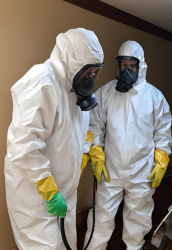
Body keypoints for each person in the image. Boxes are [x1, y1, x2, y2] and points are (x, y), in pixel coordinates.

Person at [5, 28, 105, 250]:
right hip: (36, 194)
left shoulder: (74, 88)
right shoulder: (41, 82)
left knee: (65, 242)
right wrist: (47, 188)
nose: (91, 78)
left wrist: (91, 151)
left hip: (64, 190)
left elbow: (77, 127)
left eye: (94, 73)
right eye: (88, 72)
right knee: (45, 246)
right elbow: (23, 144)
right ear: (73, 62)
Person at [84, 40, 172, 250]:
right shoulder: (106, 93)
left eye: (131, 66)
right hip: (110, 170)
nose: (127, 70)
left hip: (141, 171)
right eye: (124, 65)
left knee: (138, 218)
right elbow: (93, 124)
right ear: (119, 65)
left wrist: (161, 161)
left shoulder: (154, 97)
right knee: (100, 217)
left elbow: (163, 133)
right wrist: (97, 154)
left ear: (140, 66)